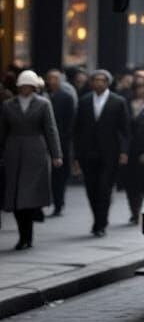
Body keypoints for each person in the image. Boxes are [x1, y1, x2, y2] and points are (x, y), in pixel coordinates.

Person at [1, 70, 62, 249]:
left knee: (29, 197)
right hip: (14, 152)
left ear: (34, 87)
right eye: (23, 86)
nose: (25, 89)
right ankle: (22, 236)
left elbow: (51, 129)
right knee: (15, 196)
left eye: (29, 86)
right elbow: (2, 131)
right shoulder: (7, 105)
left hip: (36, 151)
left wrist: (56, 154)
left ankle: (28, 236)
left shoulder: (43, 104)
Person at [73, 69, 129, 236]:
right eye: (95, 80)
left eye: (102, 80)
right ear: (91, 83)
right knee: (91, 189)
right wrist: (76, 156)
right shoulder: (84, 101)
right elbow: (77, 130)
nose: (98, 83)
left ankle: (101, 223)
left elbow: (125, 130)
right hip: (88, 153)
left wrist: (124, 151)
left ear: (107, 82)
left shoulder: (118, 102)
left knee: (104, 189)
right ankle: (97, 219)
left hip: (110, 153)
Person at [42, 68, 77, 217]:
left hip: (61, 141)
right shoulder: (42, 96)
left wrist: (63, 140)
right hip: (42, 142)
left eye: (55, 78)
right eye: (49, 78)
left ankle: (58, 203)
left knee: (59, 176)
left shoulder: (67, 97)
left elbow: (71, 122)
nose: (52, 81)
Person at [122, 77, 144, 224]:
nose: (141, 90)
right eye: (138, 87)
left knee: (141, 183)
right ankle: (134, 212)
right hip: (129, 151)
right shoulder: (126, 104)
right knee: (130, 184)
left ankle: (139, 210)